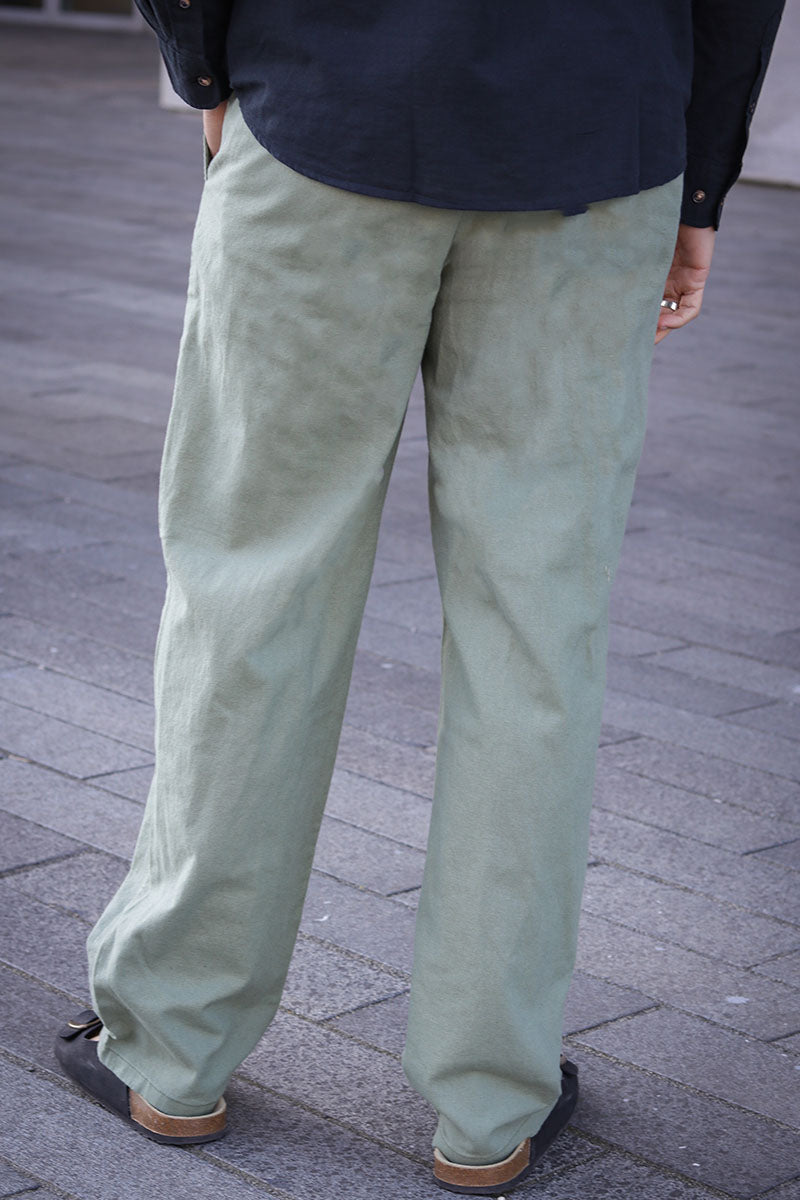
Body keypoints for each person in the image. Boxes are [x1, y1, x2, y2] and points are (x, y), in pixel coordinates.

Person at [55, 2, 784, 1193]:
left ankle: (172, 1051)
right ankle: (490, 1102)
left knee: (254, 593)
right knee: (537, 626)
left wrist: (203, 66)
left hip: (326, 104)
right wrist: (698, 180)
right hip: (598, 134)